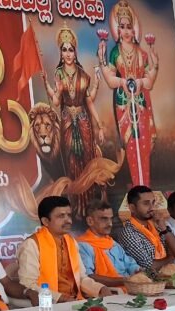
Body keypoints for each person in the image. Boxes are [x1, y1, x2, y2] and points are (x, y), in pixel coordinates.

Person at [44, 23, 106, 217]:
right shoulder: (58, 74)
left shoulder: (83, 74)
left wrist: (99, 125)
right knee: (72, 163)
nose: (68, 53)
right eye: (64, 50)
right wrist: (47, 84)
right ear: (61, 53)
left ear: (75, 51)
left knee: (87, 161)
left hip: (84, 122)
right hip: (68, 123)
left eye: (71, 49)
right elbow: (56, 101)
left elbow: (89, 101)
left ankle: (90, 205)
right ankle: (78, 206)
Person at [97, 0, 159, 187]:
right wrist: (103, 60)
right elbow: (110, 80)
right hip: (124, 104)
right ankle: (137, 186)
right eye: (122, 26)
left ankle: (145, 185)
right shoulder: (115, 53)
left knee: (144, 145)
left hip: (141, 103)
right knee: (131, 145)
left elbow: (149, 82)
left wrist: (154, 66)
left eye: (129, 27)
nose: (125, 31)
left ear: (134, 30)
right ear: (118, 29)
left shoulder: (142, 54)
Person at [17, 196, 112, 305]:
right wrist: (60, 298)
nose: (68, 221)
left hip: (75, 301)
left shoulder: (71, 242)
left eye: (69, 215)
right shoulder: (32, 244)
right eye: (61, 216)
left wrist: (100, 288)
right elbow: (28, 284)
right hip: (50, 305)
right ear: (45, 221)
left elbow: (81, 278)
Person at [113, 185, 175, 271]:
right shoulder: (128, 232)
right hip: (147, 279)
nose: (152, 208)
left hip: (170, 276)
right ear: (132, 208)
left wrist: (164, 229)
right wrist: (172, 257)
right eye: (146, 203)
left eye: (153, 202)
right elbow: (149, 266)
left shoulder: (158, 226)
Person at [75, 200, 142, 288]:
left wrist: (138, 272)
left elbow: (130, 265)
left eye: (111, 219)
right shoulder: (82, 245)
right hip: (107, 291)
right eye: (104, 219)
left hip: (130, 287)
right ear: (90, 221)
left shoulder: (112, 243)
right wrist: (124, 281)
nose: (110, 223)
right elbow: (89, 277)